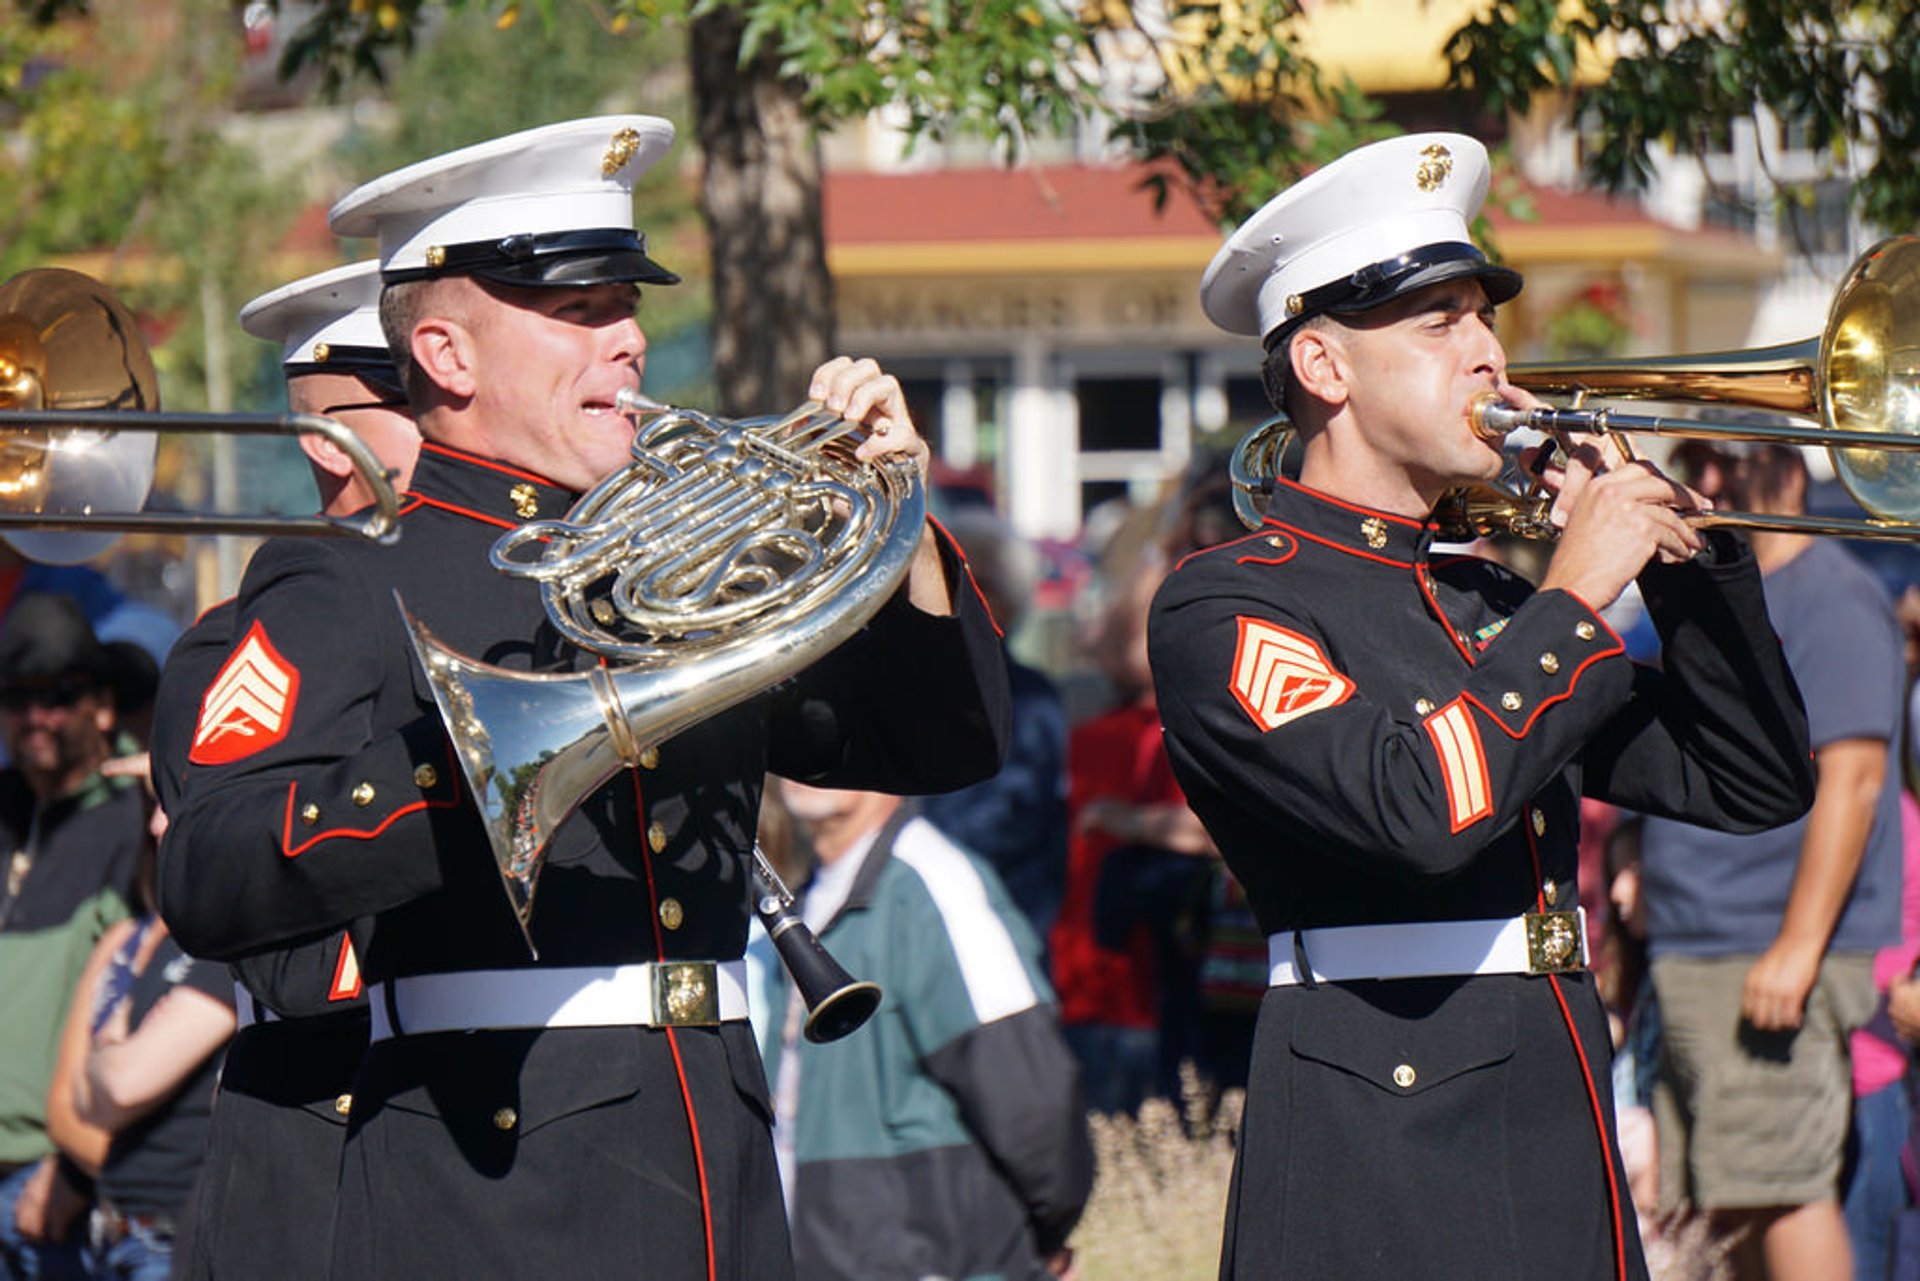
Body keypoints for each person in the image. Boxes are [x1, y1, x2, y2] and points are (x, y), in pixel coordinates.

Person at [156, 116, 1008, 1281]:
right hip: (492, 1196)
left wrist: (903, 532)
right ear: (450, 359)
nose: (632, 342)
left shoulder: (688, 554)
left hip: (717, 1153)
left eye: (627, 306)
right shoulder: (355, 576)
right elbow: (213, 868)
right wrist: (456, 769)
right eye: (580, 313)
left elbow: (940, 741)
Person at [1147, 132, 1814, 1279]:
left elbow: (1750, 780)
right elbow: (1416, 811)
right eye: (1439, 323)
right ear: (1323, 365)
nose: (1489, 354)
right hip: (1384, 1138)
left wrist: (1676, 566)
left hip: (1550, 1097)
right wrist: (1575, 592)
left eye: (1484, 316)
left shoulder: (1486, 594)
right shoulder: (1227, 608)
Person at [154, 258, 419, 1281]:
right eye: (404, 397)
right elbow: (289, 961)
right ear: (326, 438)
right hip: (316, 1152)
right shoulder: (233, 649)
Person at [1638, 442, 1904, 1280]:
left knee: (1784, 1189)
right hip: (1709, 943)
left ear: (1789, 472)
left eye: (1725, 460)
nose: (1705, 481)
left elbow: (1855, 781)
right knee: (1737, 1198)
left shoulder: (1833, 598)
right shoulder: (1742, 590)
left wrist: (1796, 946)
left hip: (1761, 946)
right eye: (1692, 459)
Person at [748, 779, 1091, 1280]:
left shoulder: (934, 881)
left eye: (835, 739)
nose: (809, 768)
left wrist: (1044, 1240)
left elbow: (1034, 1101)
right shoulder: (804, 897)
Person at [0, 594, 146, 1280]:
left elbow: (141, 1002)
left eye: (59, 694)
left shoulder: (135, 820)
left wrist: (81, 1167)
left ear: (104, 706)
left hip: (53, 1185)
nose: (37, 716)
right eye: (17, 696)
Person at [46, 827, 234, 1281]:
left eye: (171, 800)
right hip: (112, 1233)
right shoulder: (151, 941)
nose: (155, 823)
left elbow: (120, 1087)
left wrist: (107, 1053)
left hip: (168, 1241)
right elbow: (77, 1102)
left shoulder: (226, 950)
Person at [915, 506, 1069, 946]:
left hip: (995, 918)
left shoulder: (1032, 697)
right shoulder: (911, 684)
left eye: (974, 581)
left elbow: (1013, 813)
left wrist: (913, 853)